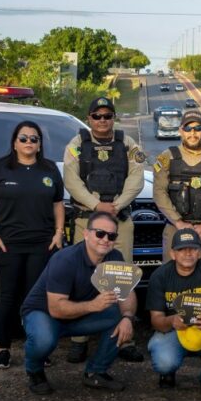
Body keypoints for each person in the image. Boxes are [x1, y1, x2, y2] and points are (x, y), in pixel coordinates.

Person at [63, 96, 146, 364]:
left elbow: (136, 177)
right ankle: (79, 341)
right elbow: (71, 179)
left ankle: (124, 338)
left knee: (122, 277)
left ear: (114, 118)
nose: (102, 121)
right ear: (89, 119)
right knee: (82, 276)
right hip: (87, 221)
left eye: (107, 116)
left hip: (120, 219)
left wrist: (116, 204)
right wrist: (96, 204)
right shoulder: (77, 145)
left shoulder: (127, 144)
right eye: (97, 116)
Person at [0, 120, 65, 370]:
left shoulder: (49, 169)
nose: (29, 142)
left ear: (39, 145)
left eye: (34, 139)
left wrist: (58, 233)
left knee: (35, 298)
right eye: (24, 138)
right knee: (8, 297)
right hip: (9, 245)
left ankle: (38, 346)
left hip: (42, 244)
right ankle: (4, 348)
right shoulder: (0, 168)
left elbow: (58, 204)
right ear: (14, 143)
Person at [20, 212, 137, 395]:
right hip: (44, 312)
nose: (105, 239)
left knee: (118, 317)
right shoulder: (65, 259)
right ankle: (34, 370)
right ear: (86, 234)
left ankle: (95, 372)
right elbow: (56, 308)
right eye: (100, 233)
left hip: (79, 313)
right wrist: (93, 306)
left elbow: (127, 294)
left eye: (111, 236)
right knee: (43, 339)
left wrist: (128, 317)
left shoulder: (115, 257)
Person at [147, 229, 201, 398]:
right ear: (172, 254)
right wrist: (172, 320)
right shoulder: (160, 276)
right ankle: (169, 371)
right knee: (164, 363)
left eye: (193, 248)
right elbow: (156, 320)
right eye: (182, 249)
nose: (188, 253)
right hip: (174, 330)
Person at [153, 111, 201, 261]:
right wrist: (179, 222)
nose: (193, 133)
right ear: (181, 131)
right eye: (188, 129)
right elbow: (159, 192)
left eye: (198, 128)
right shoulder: (166, 157)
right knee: (171, 277)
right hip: (175, 228)